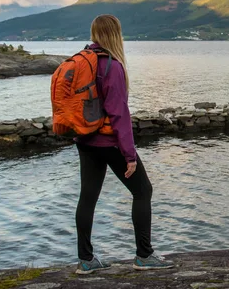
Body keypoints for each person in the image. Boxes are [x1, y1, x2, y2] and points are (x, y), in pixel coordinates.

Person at [74, 14, 174, 274]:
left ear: (95, 33)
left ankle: (85, 260)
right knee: (143, 191)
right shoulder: (112, 66)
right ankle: (144, 256)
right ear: (115, 35)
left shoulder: (83, 61)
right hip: (109, 142)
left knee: (88, 197)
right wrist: (129, 155)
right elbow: (119, 114)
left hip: (85, 140)